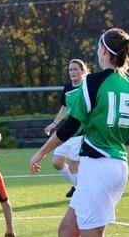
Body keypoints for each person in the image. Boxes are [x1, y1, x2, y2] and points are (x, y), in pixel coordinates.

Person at [30, 28, 129, 236]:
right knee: (67, 231)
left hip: (98, 166)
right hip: (118, 168)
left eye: (98, 47)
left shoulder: (93, 81)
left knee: (90, 233)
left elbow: (70, 126)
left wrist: (41, 152)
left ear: (104, 51)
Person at [43, 59, 89, 198]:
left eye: (75, 69)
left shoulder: (87, 87)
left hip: (81, 132)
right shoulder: (68, 88)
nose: (73, 72)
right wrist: (54, 123)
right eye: (70, 70)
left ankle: (81, 192)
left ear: (83, 70)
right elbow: (64, 107)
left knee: (74, 164)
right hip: (68, 131)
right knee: (57, 162)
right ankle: (78, 186)